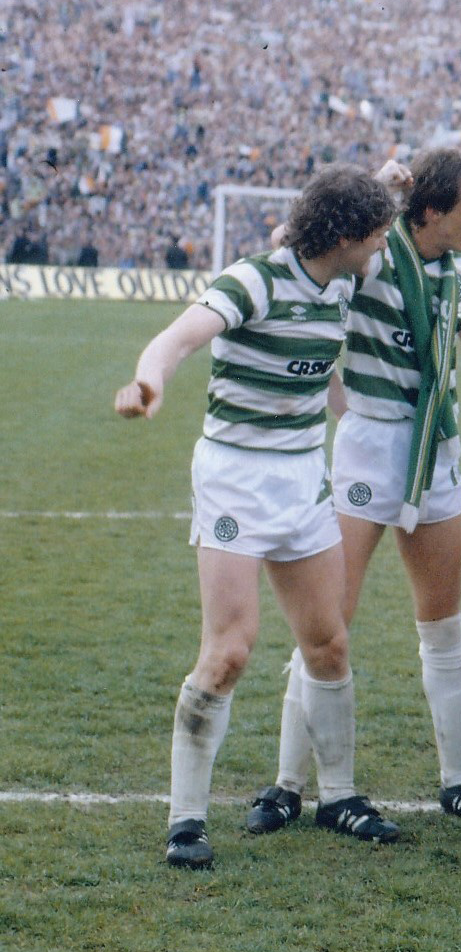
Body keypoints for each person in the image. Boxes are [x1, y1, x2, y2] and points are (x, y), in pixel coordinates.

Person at [250, 150, 461, 836]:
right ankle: (289, 783)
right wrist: (370, 192)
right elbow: (288, 252)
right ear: (429, 212)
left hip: (435, 450)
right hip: (370, 447)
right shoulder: (372, 255)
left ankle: (458, 779)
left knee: (441, 624)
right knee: (327, 624)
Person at [114, 165, 400, 868]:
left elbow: (369, 267)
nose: (380, 249)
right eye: (374, 235)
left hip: (304, 478)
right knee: (230, 651)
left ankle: (338, 795)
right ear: (341, 236)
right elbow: (178, 338)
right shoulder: (254, 282)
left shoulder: (341, 281)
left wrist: (385, 177)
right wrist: (148, 380)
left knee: (328, 644)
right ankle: (186, 820)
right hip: (237, 477)